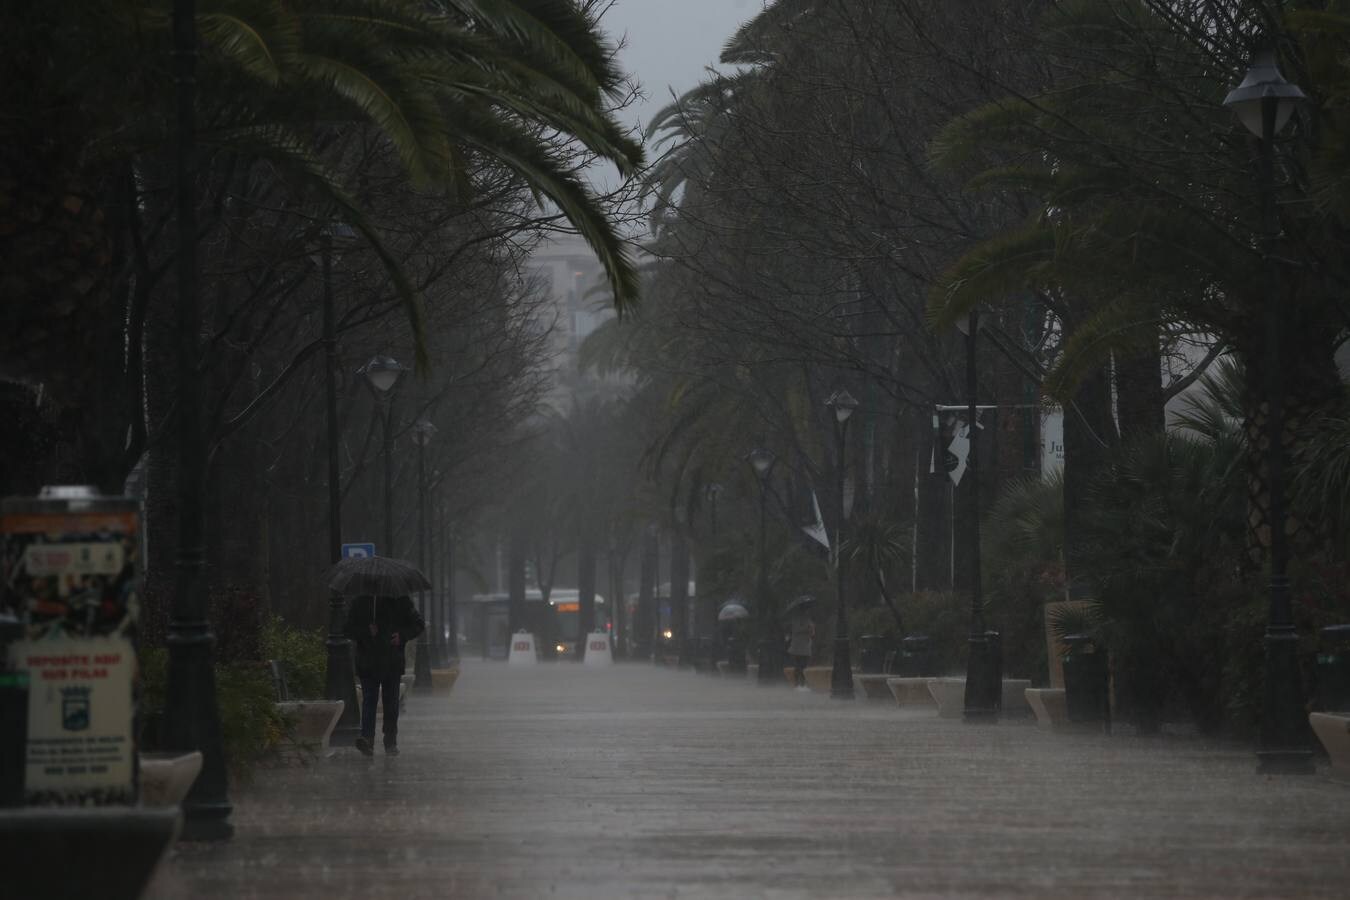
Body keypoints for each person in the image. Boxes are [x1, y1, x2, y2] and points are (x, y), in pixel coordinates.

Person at [343, 593, 425, 756]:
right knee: (369, 700)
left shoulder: (401, 600)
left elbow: (418, 624)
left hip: (391, 661)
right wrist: (367, 631)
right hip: (368, 661)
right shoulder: (360, 601)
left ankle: (390, 740)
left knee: (391, 703)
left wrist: (401, 636)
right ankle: (367, 739)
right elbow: (348, 629)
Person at [787, 612, 814, 690]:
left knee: (798, 666)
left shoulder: (795, 620)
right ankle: (802, 684)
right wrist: (808, 629)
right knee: (802, 667)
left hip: (798, 648)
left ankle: (798, 684)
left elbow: (812, 634)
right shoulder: (807, 621)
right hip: (802, 648)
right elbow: (811, 633)